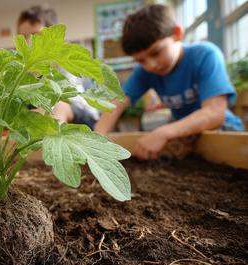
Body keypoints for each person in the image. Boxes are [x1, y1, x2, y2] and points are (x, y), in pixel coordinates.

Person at [93, 4, 244, 160]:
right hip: (183, 135)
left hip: (223, 129)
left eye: (156, 52)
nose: (151, 65)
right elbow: (118, 101)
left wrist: (163, 132)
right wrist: (96, 140)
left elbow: (215, 113)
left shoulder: (205, 56)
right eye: (141, 60)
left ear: (177, 33)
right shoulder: (145, 71)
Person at [17, 4, 99, 128]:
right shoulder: (24, 80)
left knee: (58, 106)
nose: (28, 42)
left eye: (36, 36)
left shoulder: (70, 72)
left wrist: (57, 107)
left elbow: (87, 113)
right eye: (23, 38)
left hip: (80, 123)